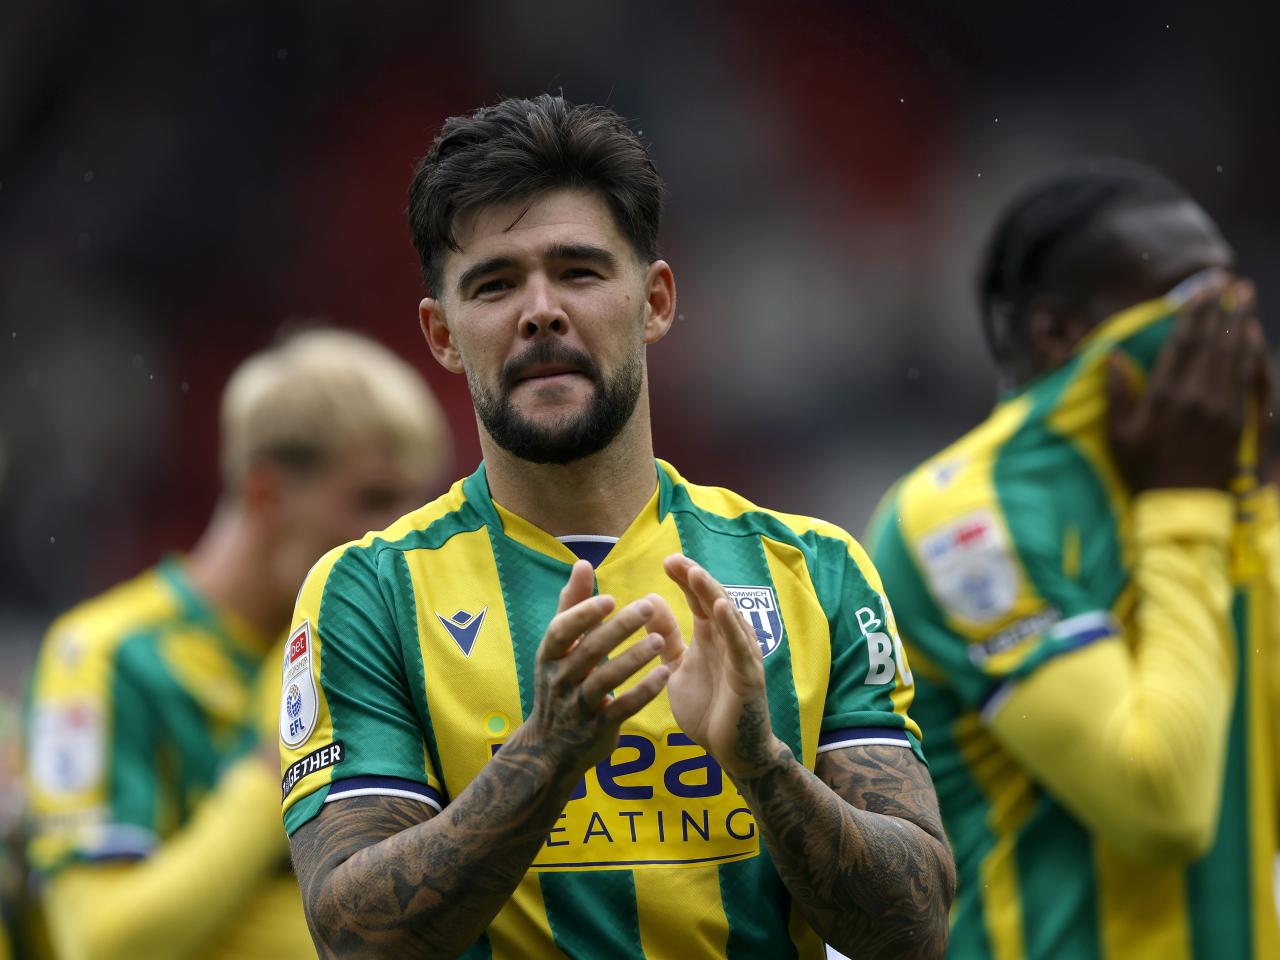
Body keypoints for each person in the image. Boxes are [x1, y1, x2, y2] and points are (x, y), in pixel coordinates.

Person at [279, 94, 956, 960]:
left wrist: (762, 764)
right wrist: (545, 755)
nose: (540, 311)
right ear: (442, 334)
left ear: (655, 302)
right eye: (495, 284)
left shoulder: (814, 570)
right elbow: (355, 938)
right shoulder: (369, 593)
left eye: (580, 272)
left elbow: (913, 929)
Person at [866, 163, 1279, 959]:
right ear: (1060, 332)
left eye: (1235, 294)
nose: (1226, 325)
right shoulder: (966, 518)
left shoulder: (1199, 479)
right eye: (1193, 297)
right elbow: (1161, 806)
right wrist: (1188, 508)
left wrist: (1250, 505)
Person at [24, 328, 451, 960]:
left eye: (417, 504)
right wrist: (275, 770)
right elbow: (100, 942)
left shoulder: (372, 652)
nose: (397, 535)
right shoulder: (106, 654)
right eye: (373, 498)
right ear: (265, 493)